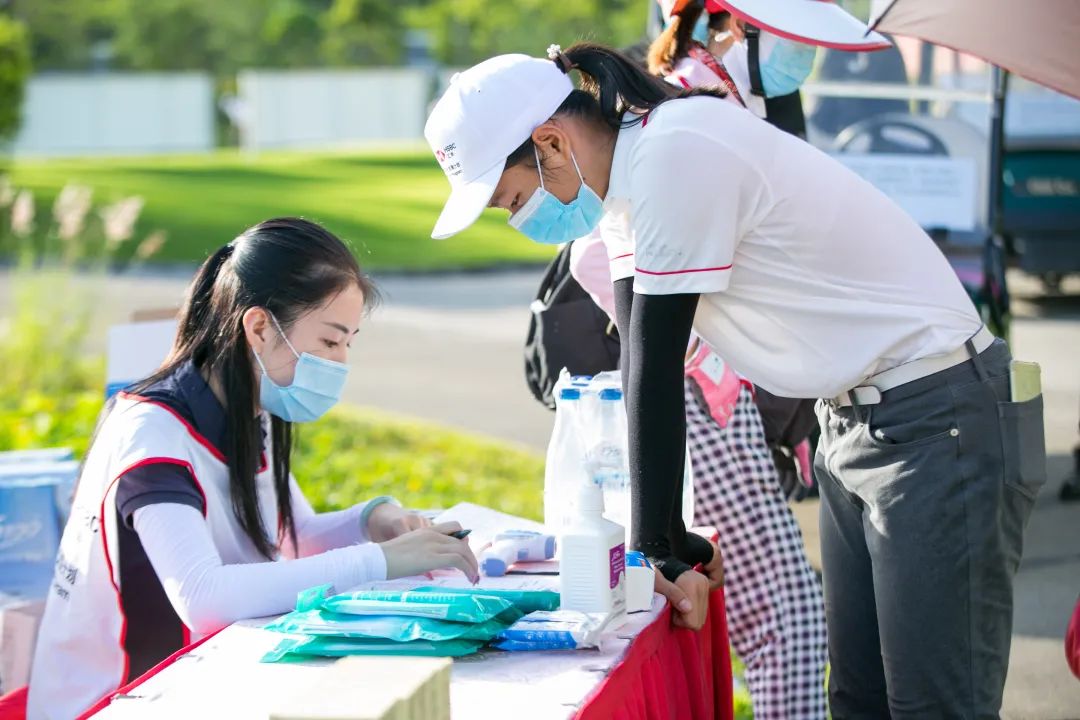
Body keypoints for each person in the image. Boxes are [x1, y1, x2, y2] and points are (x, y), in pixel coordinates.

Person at [424, 40, 1046, 718]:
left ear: (549, 141)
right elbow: (638, 360)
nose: (518, 218)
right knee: (858, 700)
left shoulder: (674, 152)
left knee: (932, 707)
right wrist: (667, 537)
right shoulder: (628, 187)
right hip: (856, 418)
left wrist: (654, 552)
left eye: (512, 198)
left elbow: (658, 366)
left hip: (936, 413)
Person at [28, 218, 479, 720]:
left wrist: (375, 519)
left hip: (195, 680)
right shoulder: (152, 434)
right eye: (330, 342)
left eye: (349, 343)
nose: (340, 363)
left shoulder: (246, 406)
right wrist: (380, 560)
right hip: (115, 704)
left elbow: (292, 536)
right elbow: (202, 596)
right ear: (259, 328)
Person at [571, 234, 827, 720]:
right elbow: (591, 257)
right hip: (705, 407)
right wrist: (699, 358)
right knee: (785, 621)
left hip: (703, 404)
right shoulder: (628, 205)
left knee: (745, 613)